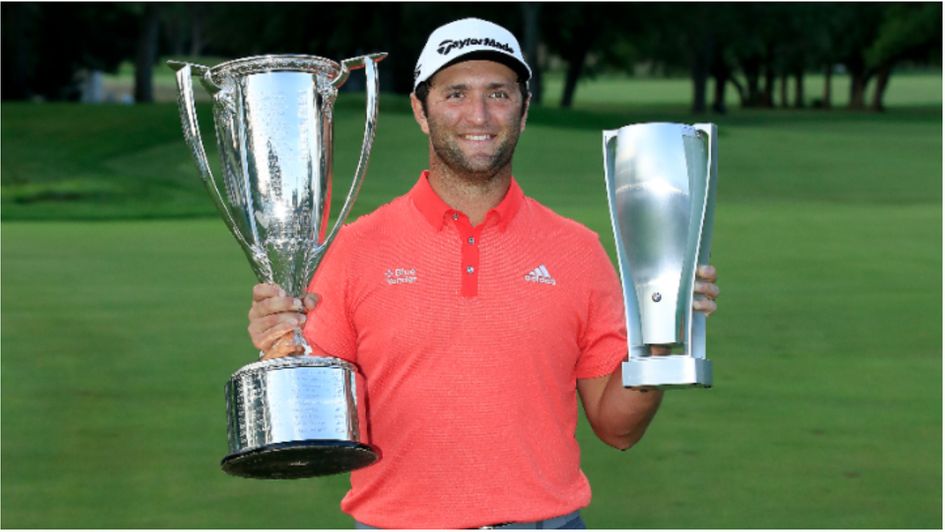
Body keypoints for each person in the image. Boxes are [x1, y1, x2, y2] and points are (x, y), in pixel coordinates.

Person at [247, 17, 720, 530]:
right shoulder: (355, 249)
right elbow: (327, 428)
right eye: (455, 94)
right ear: (420, 111)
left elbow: (617, 428)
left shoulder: (578, 251)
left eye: (498, 93)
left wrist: (659, 342)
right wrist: (282, 351)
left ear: (523, 108)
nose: (479, 114)